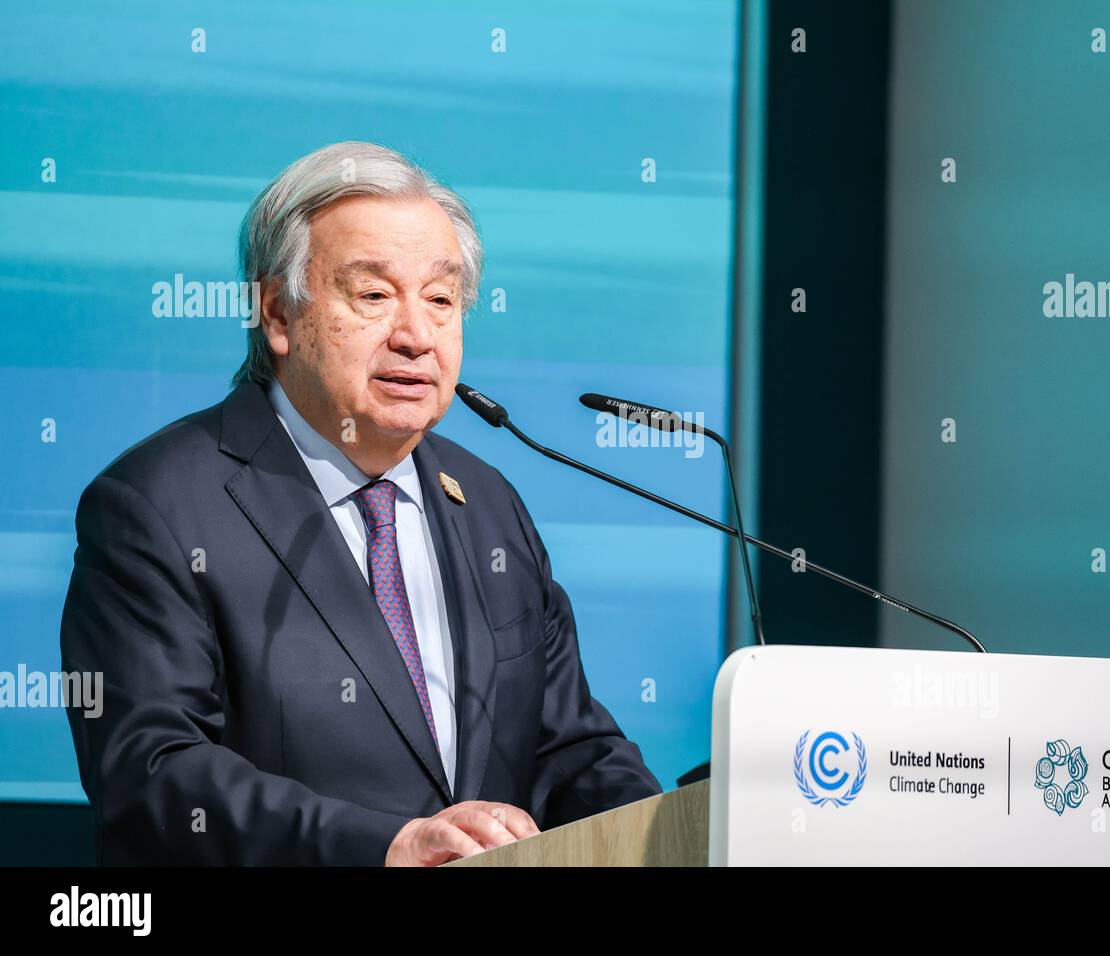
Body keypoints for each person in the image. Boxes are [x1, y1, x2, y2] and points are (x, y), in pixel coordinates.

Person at [60, 141, 661, 866]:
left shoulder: (489, 504)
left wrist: (675, 832)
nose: (415, 335)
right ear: (279, 314)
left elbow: (568, 745)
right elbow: (151, 771)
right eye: (373, 295)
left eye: (441, 300)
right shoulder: (156, 505)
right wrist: (387, 847)